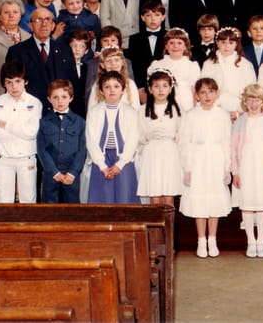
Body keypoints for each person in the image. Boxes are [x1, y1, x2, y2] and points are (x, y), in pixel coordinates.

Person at [179, 78, 232, 258]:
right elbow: (184, 142)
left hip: (216, 159)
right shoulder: (191, 115)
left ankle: (212, 239)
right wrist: (187, 168)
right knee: (199, 200)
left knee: (214, 199)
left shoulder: (222, 115)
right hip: (197, 160)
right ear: (197, 95)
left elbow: (226, 141)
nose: (207, 95)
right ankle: (201, 240)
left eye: (210, 91)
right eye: (202, 92)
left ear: (217, 93)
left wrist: (226, 167)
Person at [231, 84, 263, 258]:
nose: (253, 104)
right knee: (247, 204)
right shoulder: (240, 121)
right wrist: (235, 172)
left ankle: (261, 241)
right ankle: (251, 241)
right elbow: (233, 148)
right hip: (246, 165)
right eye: (250, 100)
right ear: (245, 102)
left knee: (261, 205)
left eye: (257, 100)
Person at [0, 60, 42, 203]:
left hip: (26, 158)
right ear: (4, 84)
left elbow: (31, 132)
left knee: (28, 199)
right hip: (3, 158)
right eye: (9, 82)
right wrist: (19, 129)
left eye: (17, 81)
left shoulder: (34, 103)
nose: (14, 86)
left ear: (25, 81)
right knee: (4, 200)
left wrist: (6, 125)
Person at [6, 7, 76, 113]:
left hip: (59, 112)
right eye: (38, 20)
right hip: (29, 112)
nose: (44, 24)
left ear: (53, 26)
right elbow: (12, 86)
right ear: (30, 25)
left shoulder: (65, 50)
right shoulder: (17, 51)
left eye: (47, 19)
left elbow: (73, 83)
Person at [85, 70, 140, 203]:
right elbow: (91, 140)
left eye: (116, 86)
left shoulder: (131, 112)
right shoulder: (94, 112)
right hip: (102, 159)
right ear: (101, 91)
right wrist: (101, 165)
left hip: (123, 160)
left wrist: (121, 163)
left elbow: (133, 139)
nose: (112, 90)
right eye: (107, 87)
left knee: (124, 196)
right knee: (102, 198)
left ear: (123, 90)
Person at [137, 70, 183, 207]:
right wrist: (147, 136)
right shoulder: (143, 110)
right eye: (156, 86)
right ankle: (155, 222)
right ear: (150, 89)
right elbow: (137, 135)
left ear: (170, 88)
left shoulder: (177, 109)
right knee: (155, 195)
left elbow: (185, 133)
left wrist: (173, 136)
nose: (161, 90)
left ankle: (169, 222)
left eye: (164, 86)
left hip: (170, 154)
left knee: (168, 196)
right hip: (152, 155)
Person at [36, 79, 86, 203]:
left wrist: (73, 172)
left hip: (72, 176)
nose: (60, 101)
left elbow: (82, 150)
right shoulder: (43, 122)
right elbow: (42, 150)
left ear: (71, 98)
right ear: (49, 99)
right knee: (50, 209)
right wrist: (54, 172)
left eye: (64, 97)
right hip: (51, 175)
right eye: (55, 97)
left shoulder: (80, 122)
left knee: (72, 208)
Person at [201, 26, 256, 118]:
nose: (226, 46)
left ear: (236, 44)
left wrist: (240, 112)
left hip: (238, 107)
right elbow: (204, 87)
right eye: (223, 42)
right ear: (217, 43)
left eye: (231, 43)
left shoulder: (245, 64)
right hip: (215, 107)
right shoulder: (209, 64)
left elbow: (251, 90)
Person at [147, 27, 200, 112]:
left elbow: (195, 91)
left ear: (185, 46)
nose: (175, 46)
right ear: (166, 46)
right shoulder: (157, 65)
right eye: (171, 43)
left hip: (186, 104)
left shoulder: (192, 66)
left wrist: (195, 110)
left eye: (179, 43)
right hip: (163, 105)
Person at [127, 0, 167, 103]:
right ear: (142, 17)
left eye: (157, 15)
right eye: (148, 15)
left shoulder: (169, 37)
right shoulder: (134, 39)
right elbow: (134, 66)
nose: (153, 19)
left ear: (163, 17)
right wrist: (140, 89)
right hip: (142, 89)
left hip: (165, 88)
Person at [66, 29, 91, 117]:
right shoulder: (63, 67)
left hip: (83, 110)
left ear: (86, 51)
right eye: (74, 46)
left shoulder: (87, 68)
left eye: (81, 46)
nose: (77, 49)